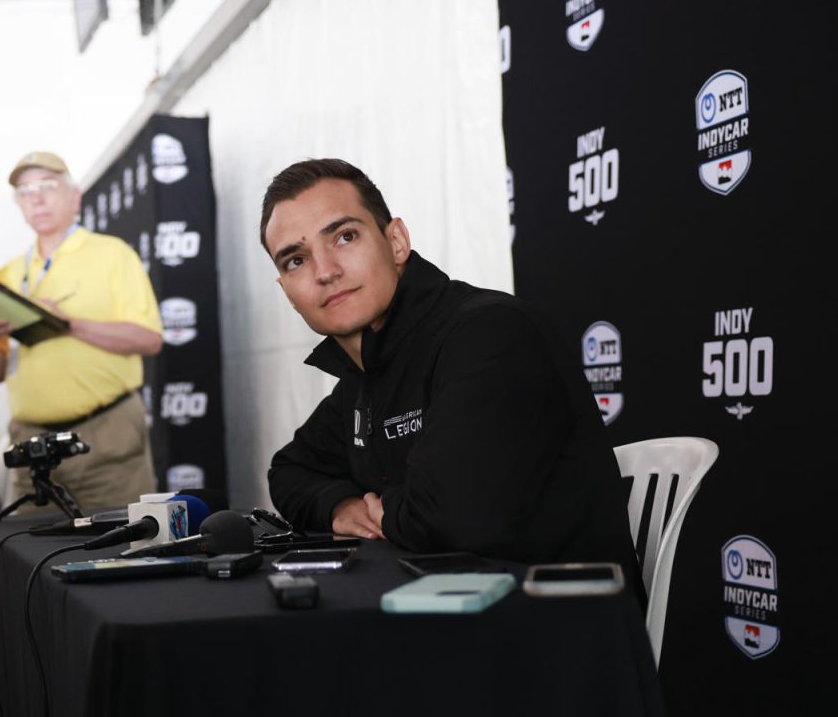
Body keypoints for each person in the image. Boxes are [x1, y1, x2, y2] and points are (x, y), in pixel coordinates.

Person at [261, 158, 639, 586]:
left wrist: (388, 507)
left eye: (345, 237)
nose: (325, 272)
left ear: (397, 242)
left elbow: (457, 518)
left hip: (555, 629)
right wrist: (340, 504)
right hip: (444, 616)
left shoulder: (489, 334)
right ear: (287, 292)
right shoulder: (365, 374)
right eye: (296, 260)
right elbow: (288, 471)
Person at [0, 151, 163, 512]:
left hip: (105, 436)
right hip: (31, 443)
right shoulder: (6, 276)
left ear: (74, 197)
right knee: (32, 560)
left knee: (123, 551)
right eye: (26, 192)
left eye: (47, 186)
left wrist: (68, 324)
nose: (37, 198)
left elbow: (148, 338)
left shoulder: (112, 254)